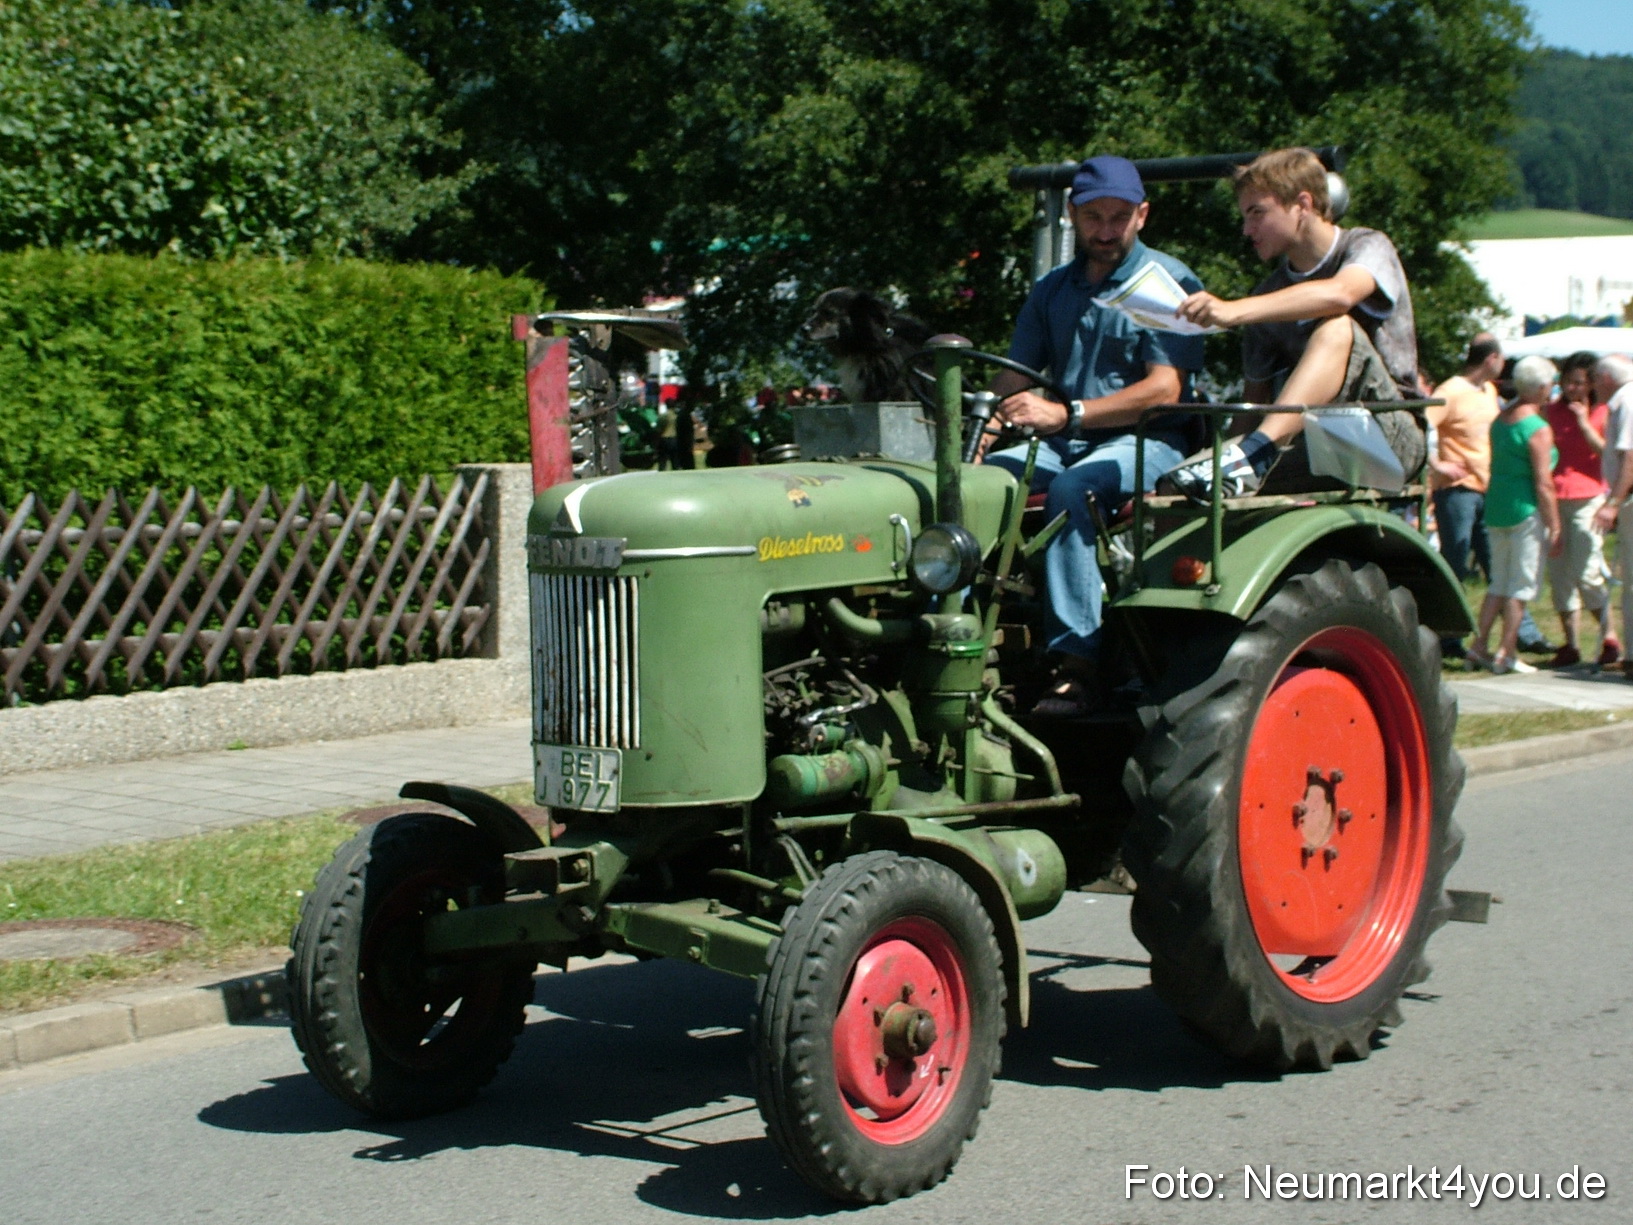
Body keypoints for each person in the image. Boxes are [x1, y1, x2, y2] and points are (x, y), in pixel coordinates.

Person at [983, 155, 1205, 714]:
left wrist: (1071, 415)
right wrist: (983, 423)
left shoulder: (1169, 283)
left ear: (1142, 215)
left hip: (1149, 442)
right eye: (1093, 217)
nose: (1106, 230)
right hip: (1067, 440)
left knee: (1072, 491)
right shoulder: (1052, 289)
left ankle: (1075, 665)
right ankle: (962, 634)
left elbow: (1165, 390)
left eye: (1119, 217)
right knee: (979, 485)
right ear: (1073, 217)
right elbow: (1015, 376)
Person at [1163, 147, 1425, 498]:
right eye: (1244, 216)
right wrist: (1210, 464)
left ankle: (1255, 456)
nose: (1246, 229)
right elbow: (1253, 407)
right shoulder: (1268, 296)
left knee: (1337, 327)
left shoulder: (1367, 246)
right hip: (1319, 447)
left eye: (1257, 214)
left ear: (1302, 204)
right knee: (1179, 486)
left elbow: (1341, 294)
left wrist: (1234, 310)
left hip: (1389, 435)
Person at [1468, 357, 1561, 675]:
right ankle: (1506, 652)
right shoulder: (1536, 428)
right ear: (1540, 388)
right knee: (1520, 587)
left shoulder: (1501, 419)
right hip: (1525, 509)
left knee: (1498, 583)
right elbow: (1543, 482)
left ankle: (1479, 646)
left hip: (1497, 506)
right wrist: (1555, 525)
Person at [1542, 351, 1618, 668]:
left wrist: (1584, 424)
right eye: (1567, 382)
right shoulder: (1550, 412)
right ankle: (1571, 643)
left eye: (1578, 383)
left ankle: (1609, 638)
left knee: (1587, 570)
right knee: (1560, 575)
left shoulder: (1604, 413)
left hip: (1588, 496)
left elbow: (1607, 455)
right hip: (1556, 496)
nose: (1571, 389)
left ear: (1589, 385)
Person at [1592, 354, 1633, 677]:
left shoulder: (1627, 400)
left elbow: (1630, 457)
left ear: (1606, 377)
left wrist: (1614, 503)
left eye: (1594, 378)